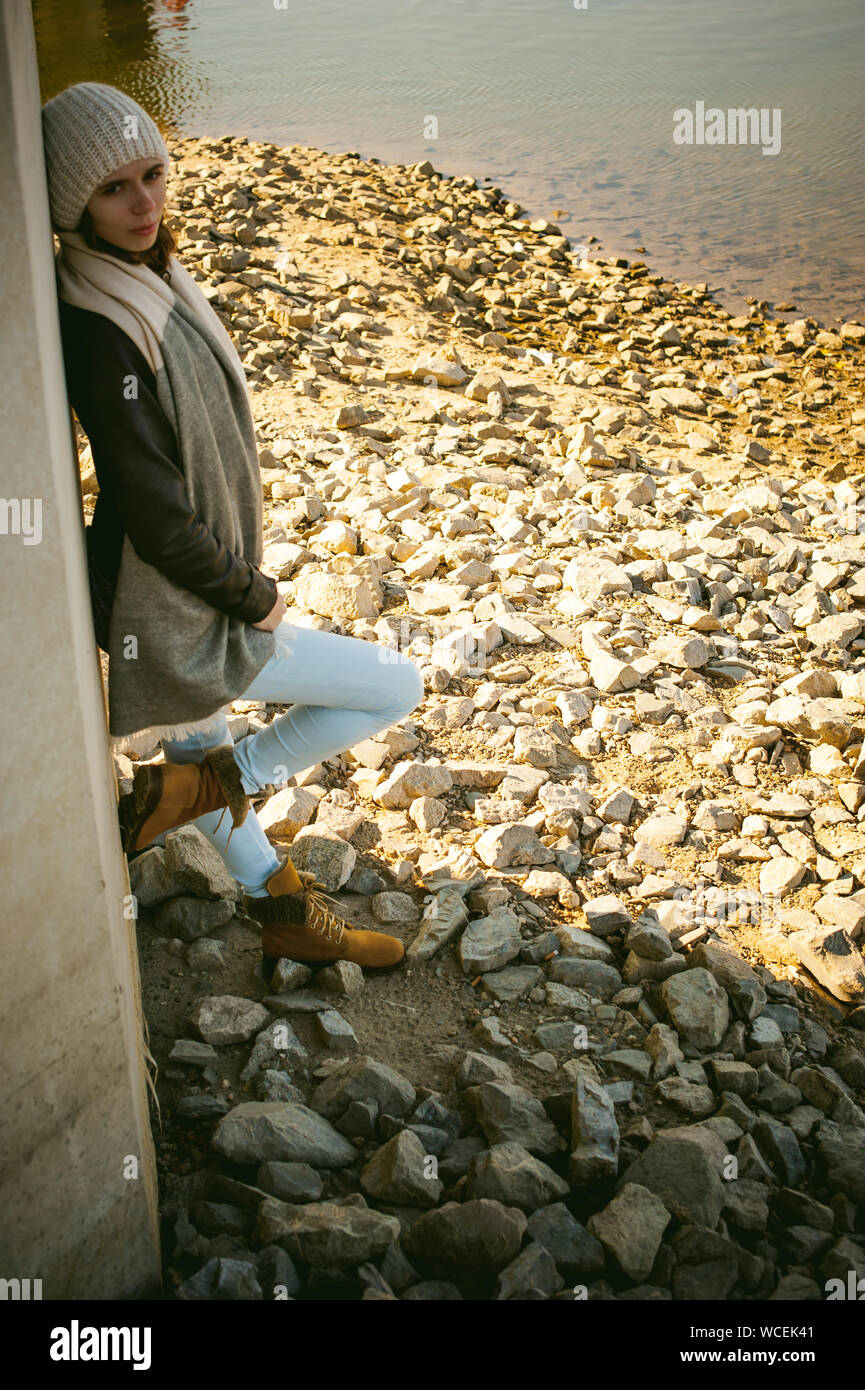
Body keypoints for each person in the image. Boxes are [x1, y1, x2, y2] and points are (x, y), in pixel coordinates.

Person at [41, 82, 425, 975]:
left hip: (168, 589)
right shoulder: (102, 327)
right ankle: (210, 789)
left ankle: (277, 903)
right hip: (167, 600)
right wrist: (250, 593)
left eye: (153, 174)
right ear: (72, 204)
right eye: (114, 189)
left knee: (197, 750)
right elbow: (155, 509)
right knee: (392, 685)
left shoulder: (145, 278)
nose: (143, 203)